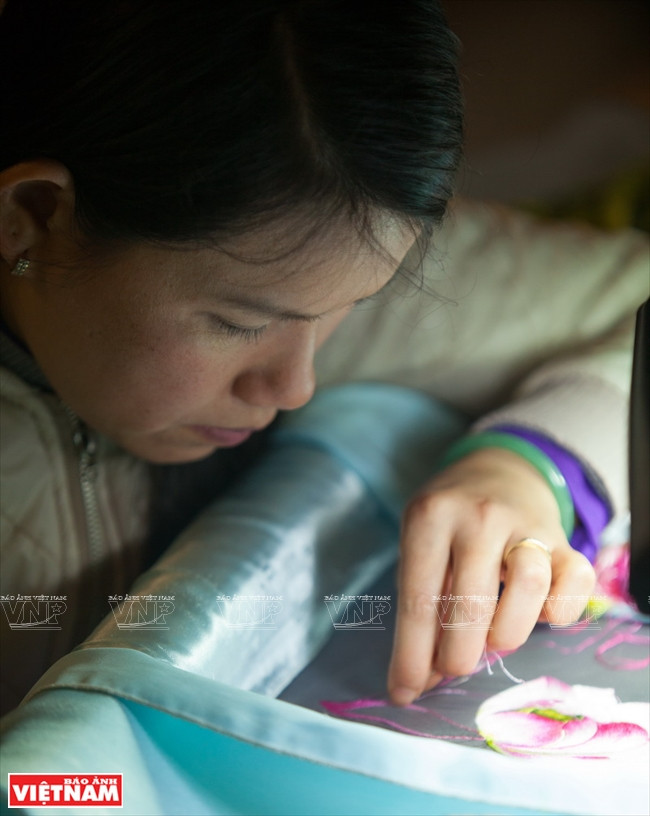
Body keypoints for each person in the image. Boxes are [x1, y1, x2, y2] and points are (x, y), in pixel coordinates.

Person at [0, 0, 646, 715]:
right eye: (239, 323)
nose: (295, 384)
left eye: (355, 303)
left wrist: (530, 465)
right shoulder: (255, 230)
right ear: (32, 216)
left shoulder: (319, 235)